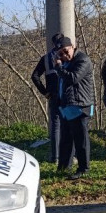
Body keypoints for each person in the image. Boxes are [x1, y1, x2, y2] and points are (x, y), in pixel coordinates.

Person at [53, 37, 94, 179]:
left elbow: (73, 78)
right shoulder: (65, 63)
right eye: (60, 54)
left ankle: (84, 168)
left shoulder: (82, 60)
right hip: (67, 107)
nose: (64, 55)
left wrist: (58, 67)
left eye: (65, 51)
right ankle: (64, 167)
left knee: (80, 140)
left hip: (80, 106)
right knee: (66, 139)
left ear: (73, 46)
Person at [31, 33, 65, 163]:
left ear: (52, 43)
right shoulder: (66, 55)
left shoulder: (45, 59)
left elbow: (35, 76)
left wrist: (45, 92)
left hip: (53, 95)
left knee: (55, 126)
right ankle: (68, 155)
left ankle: (55, 157)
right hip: (66, 95)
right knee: (68, 125)